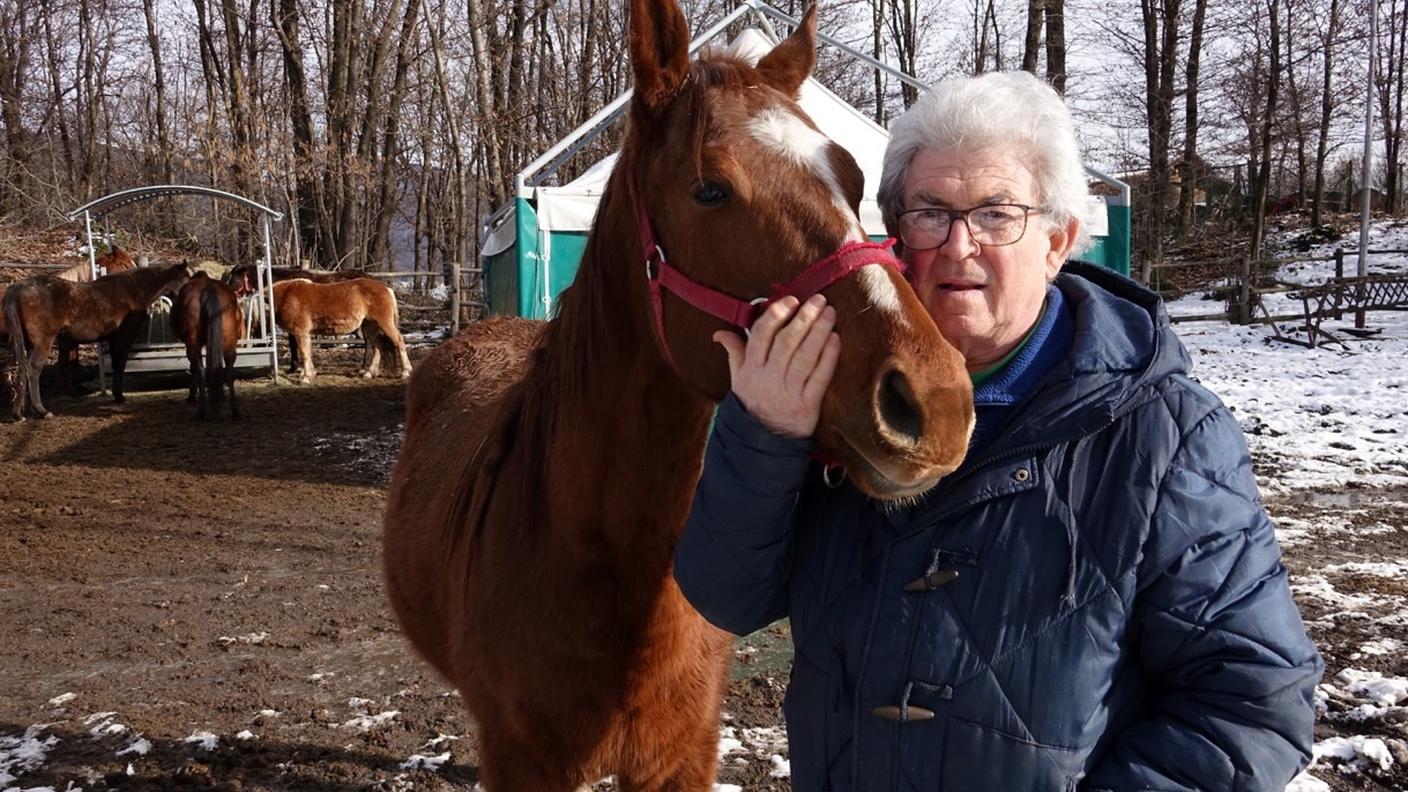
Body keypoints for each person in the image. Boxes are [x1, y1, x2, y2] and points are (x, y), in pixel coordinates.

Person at [673, 70, 1322, 790]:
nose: (957, 245)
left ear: (1058, 241)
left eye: (995, 214)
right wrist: (766, 433)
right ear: (895, 232)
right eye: (930, 211)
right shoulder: (846, 396)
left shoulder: (1164, 435)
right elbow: (729, 596)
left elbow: (1254, 703)